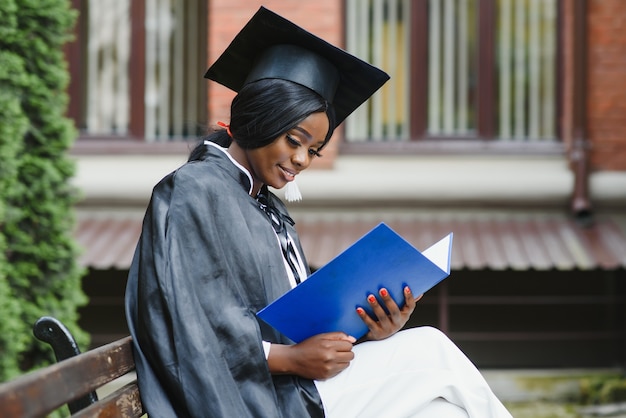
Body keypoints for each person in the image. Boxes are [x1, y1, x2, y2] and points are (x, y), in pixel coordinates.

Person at [125, 6, 513, 418]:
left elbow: (291, 322)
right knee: (433, 351)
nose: (302, 160)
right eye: (294, 140)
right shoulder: (194, 191)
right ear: (258, 119)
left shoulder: (261, 204)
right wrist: (289, 359)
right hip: (263, 398)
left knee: (443, 412)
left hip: (296, 386)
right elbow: (189, 324)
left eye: (313, 150)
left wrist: (370, 328)